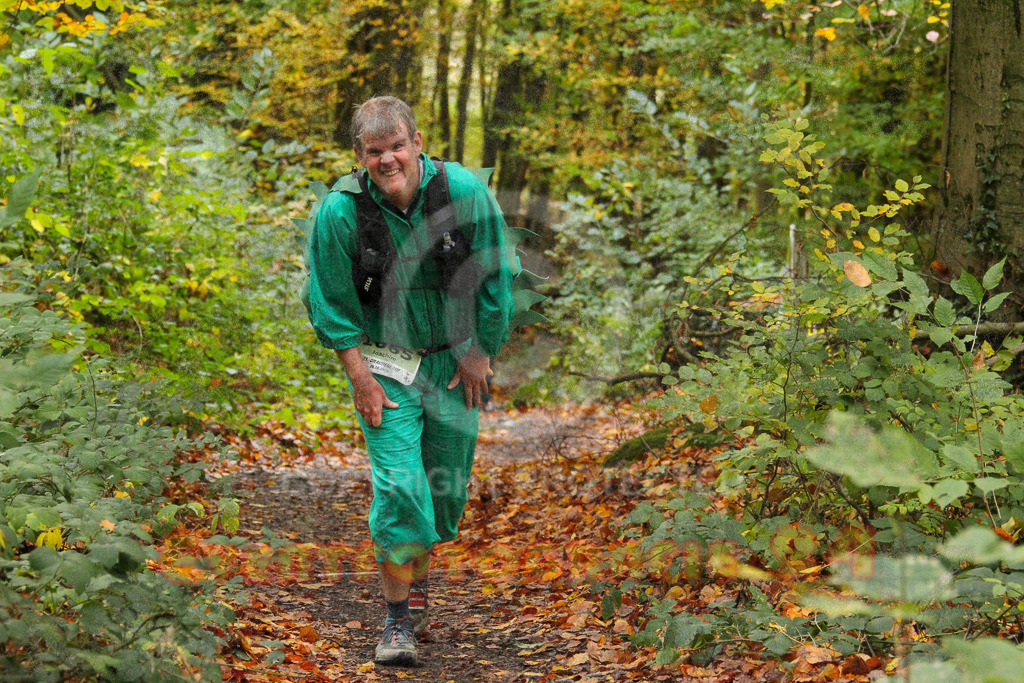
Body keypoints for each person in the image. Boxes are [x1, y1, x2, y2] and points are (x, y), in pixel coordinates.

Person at [305, 95, 515, 666]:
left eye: (398, 146)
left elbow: (497, 277)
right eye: (375, 151)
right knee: (400, 487)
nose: (388, 160)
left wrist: (480, 353)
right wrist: (359, 377)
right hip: (385, 362)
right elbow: (329, 302)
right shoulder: (340, 212)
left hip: (454, 362)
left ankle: (416, 560)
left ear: (418, 143)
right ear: (359, 155)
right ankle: (397, 623)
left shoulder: (464, 192)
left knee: (442, 497)